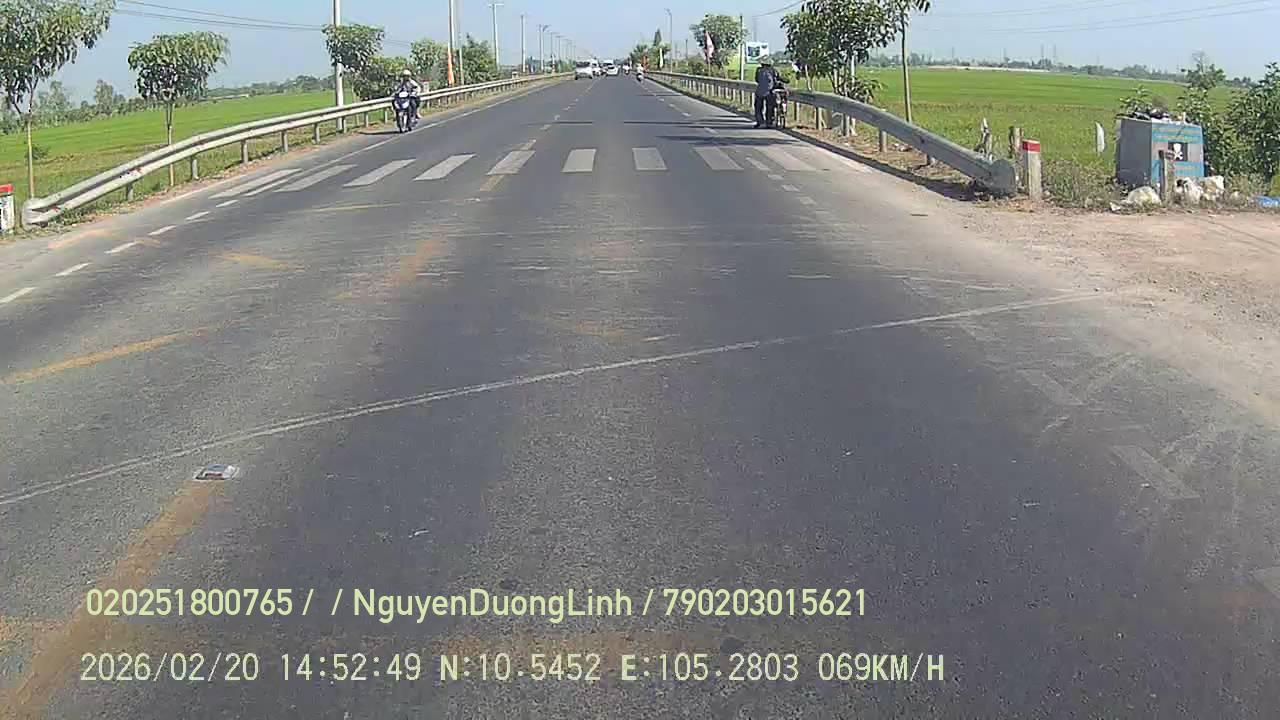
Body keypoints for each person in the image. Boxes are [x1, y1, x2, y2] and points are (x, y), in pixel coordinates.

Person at [754, 57, 783, 128]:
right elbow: (778, 79)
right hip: (769, 91)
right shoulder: (773, 70)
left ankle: (760, 122)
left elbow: (757, 80)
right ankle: (769, 122)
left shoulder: (759, 70)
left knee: (758, 107)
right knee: (770, 107)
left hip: (759, 91)